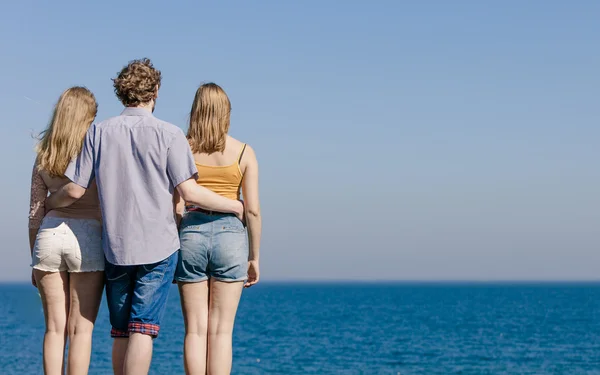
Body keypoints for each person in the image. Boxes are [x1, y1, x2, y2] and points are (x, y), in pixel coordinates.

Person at [46, 59, 244, 375]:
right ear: (156, 92)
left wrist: (48, 202)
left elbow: (75, 189)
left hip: (115, 246)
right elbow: (190, 192)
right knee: (143, 328)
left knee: (121, 330)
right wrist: (233, 205)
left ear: (121, 92)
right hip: (158, 247)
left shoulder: (98, 132)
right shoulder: (170, 134)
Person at [174, 83, 261, 375]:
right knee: (222, 333)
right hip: (232, 239)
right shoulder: (244, 152)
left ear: (195, 111)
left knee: (195, 331)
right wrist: (255, 257)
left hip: (191, 235)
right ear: (227, 113)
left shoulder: (181, 148)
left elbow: (176, 204)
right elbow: (252, 210)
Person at [29, 86, 104, 375]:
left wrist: (32, 259)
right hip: (88, 237)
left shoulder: (44, 153)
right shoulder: (96, 151)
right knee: (81, 331)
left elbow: (35, 213)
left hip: (48, 237)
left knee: (54, 329)